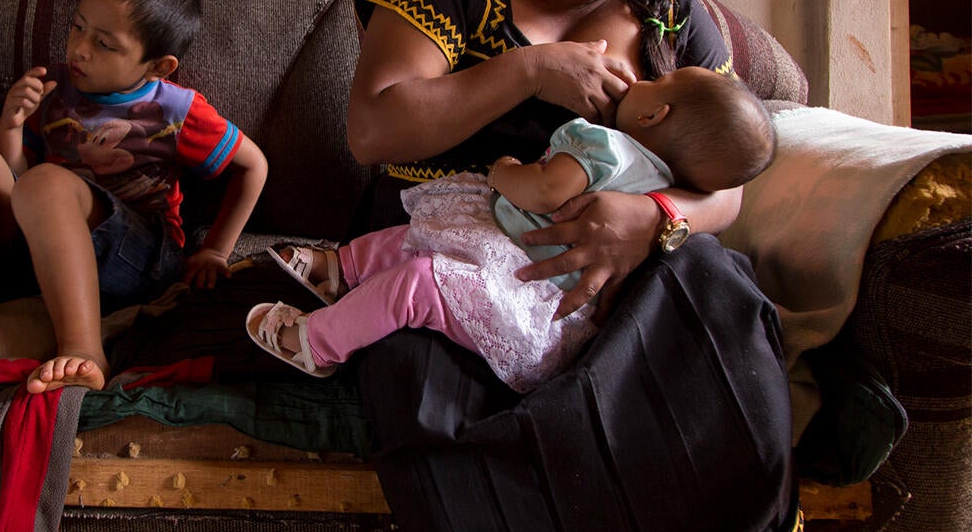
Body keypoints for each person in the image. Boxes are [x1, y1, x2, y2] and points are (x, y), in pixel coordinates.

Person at [339, 0, 802, 532]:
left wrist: (652, 217)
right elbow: (374, 128)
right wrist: (528, 70)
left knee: (718, 286)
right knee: (420, 368)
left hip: (607, 271)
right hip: (453, 255)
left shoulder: (673, 21)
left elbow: (728, 187)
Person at [249, 63, 775, 392]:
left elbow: (545, 190)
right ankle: (343, 270)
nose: (640, 78)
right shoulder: (660, 178)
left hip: (521, 291)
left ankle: (316, 344)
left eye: (655, 81)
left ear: (655, 114)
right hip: (540, 287)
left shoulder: (605, 147)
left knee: (421, 277)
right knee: (441, 228)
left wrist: (504, 172)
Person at [0, 0, 268, 392]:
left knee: (47, 183)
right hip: (46, 254)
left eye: (105, 44)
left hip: (137, 260)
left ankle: (85, 351)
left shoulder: (174, 111)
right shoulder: (53, 91)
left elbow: (252, 165)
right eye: (77, 27)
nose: (80, 49)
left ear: (157, 67)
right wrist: (11, 128)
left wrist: (216, 251)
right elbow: (19, 182)